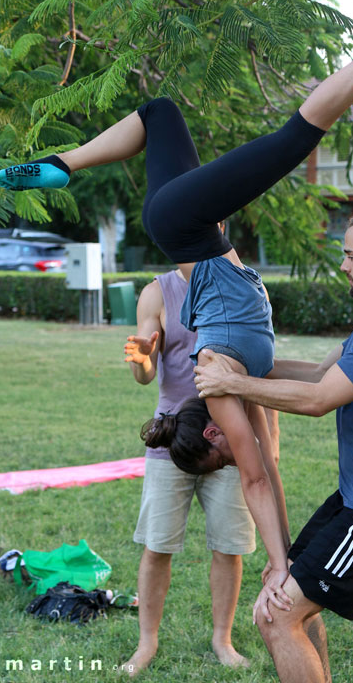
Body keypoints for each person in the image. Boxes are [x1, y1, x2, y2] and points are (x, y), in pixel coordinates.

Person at [0, 0, 353, 609]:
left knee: (223, 122)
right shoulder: (233, 378)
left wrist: (281, 563)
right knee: (230, 126)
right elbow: (261, 471)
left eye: (214, 447)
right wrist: (285, 564)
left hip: (205, 248)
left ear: (209, 426)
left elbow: (258, 473)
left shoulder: (228, 376)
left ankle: (62, 164)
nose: (227, 447)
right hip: (194, 237)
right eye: (220, 449)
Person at [193, 206, 353, 683]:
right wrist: (243, 364)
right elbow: (315, 373)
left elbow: (316, 399)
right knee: (293, 606)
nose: (344, 265)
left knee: (277, 614)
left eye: (351, 255)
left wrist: (234, 384)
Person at [119, 268, 272, 675]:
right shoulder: (158, 292)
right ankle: (146, 642)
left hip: (229, 436)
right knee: (158, 545)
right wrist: (141, 360)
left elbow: (262, 364)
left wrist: (269, 441)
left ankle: (222, 639)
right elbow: (146, 372)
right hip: (174, 439)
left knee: (230, 545)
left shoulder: (242, 284)